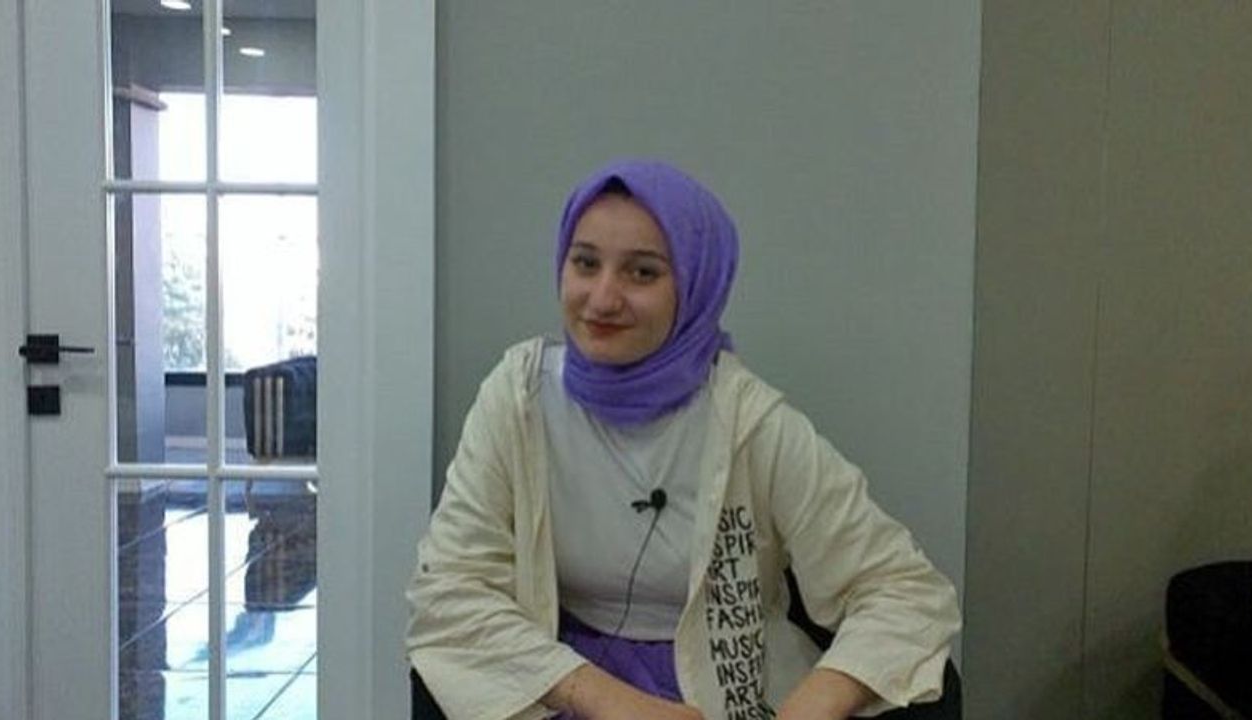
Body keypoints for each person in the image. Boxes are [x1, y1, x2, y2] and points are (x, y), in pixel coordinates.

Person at [406, 159, 961, 720]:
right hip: (564, 684)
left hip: (724, 689)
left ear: (696, 285)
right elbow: (450, 589)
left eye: (642, 273)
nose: (602, 297)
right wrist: (611, 704)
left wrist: (811, 708)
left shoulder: (750, 423)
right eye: (586, 263)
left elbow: (905, 592)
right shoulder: (519, 397)